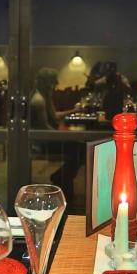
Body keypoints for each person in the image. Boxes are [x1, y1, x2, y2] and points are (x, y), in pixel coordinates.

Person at [28, 68, 81, 197]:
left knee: (78, 148)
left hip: (44, 138)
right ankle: (61, 178)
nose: (56, 83)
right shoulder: (38, 100)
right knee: (79, 149)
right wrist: (63, 136)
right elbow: (44, 129)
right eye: (54, 81)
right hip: (40, 142)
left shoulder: (43, 96)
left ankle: (62, 178)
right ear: (48, 82)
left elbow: (54, 116)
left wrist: (74, 111)